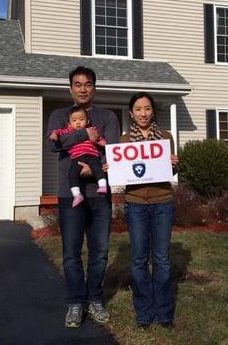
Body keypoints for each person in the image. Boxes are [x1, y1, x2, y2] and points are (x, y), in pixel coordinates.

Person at [46, 66, 119, 328]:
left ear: (94, 88)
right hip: (70, 195)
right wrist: (84, 134)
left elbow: (110, 149)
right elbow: (54, 144)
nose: (83, 89)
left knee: (99, 253)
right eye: (77, 84)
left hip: (99, 194)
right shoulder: (58, 115)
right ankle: (76, 302)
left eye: (88, 84)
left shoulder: (108, 116)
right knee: (71, 253)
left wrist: (91, 168)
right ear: (70, 89)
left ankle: (95, 298)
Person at [114, 92, 179, 328]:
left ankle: (163, 312)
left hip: (163, 202)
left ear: (153, 111)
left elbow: (167, 174)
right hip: (136, 204)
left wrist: (173, 164)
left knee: (162, 259)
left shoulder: (165, 137)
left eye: (147, 108)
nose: (143, 113)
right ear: (131, 113)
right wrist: (111, 167)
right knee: (139, 260)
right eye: (138, 109)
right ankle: (144, 311)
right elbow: (122, 174)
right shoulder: (123, 142)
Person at [49, 105, 108, 207]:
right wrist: (54, 134)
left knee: (97, 167)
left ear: (87, 121)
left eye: (81, 119)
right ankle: (77, 194)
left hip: (92, 155)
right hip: (77, 158)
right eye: (74, 120)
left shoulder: (92, 129)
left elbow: (99, 139)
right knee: (72, 173)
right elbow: (58, 132)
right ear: (69, 124)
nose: (78, 122)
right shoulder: (69, 131)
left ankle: (102, 185)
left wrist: (102, 143)